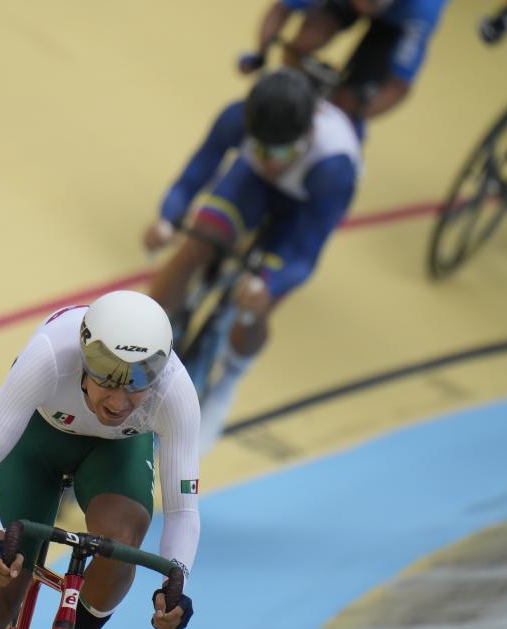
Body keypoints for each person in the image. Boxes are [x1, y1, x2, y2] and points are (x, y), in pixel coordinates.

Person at [0, 290, 198, 629]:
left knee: (121, 543)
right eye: (106, 376)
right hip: (39, 439)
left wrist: (174, 585)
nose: (118, 401)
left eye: (138, 382)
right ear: (83, 356)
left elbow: (182, 511)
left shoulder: (175, 392)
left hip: (115, 452)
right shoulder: (49, 354)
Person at [144, 68, 361, 453]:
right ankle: (143, 338)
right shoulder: (238, 119)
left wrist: (269, 286)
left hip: (301, 210)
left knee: (254, 303)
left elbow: (305, 252)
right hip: (251, 186)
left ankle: (230, 376)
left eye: (280, 153)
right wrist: (167, 218)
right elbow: (194, 174)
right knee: (193, 248)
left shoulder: (335, 165)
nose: (270, 161)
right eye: (260, 148)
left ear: (309, 132)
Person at [240, 0, 448, 133]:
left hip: (397, 22)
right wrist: (261, 54)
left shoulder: (423, 11)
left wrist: (352, 118)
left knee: (349, 101)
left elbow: (398, 86)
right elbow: (281, 9)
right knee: (304, 42)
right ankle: (290, 92)